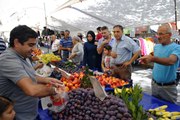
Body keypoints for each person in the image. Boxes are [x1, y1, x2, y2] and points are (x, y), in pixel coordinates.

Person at [0, 25, 62, 120]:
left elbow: (28, 76)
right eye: (30, 45)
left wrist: (45, 80)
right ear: (16, 42)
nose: (34, 49)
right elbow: (31, 90)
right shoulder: (8, 60)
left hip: (30, 112)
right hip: (19, 116)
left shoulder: (23, 56)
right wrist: (53, 91)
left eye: (34, 45)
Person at [139, 23, 180, 104]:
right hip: (154, 85)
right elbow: (153, 59)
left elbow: (171, 61)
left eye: (161, 34)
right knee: (154, 110)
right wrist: (146, 61)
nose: (158, 36)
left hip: (168, 88)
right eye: (157, 34)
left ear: (169, 35)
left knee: (170, 113)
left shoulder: (176, 47)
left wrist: (153, 58)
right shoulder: (157, 47)